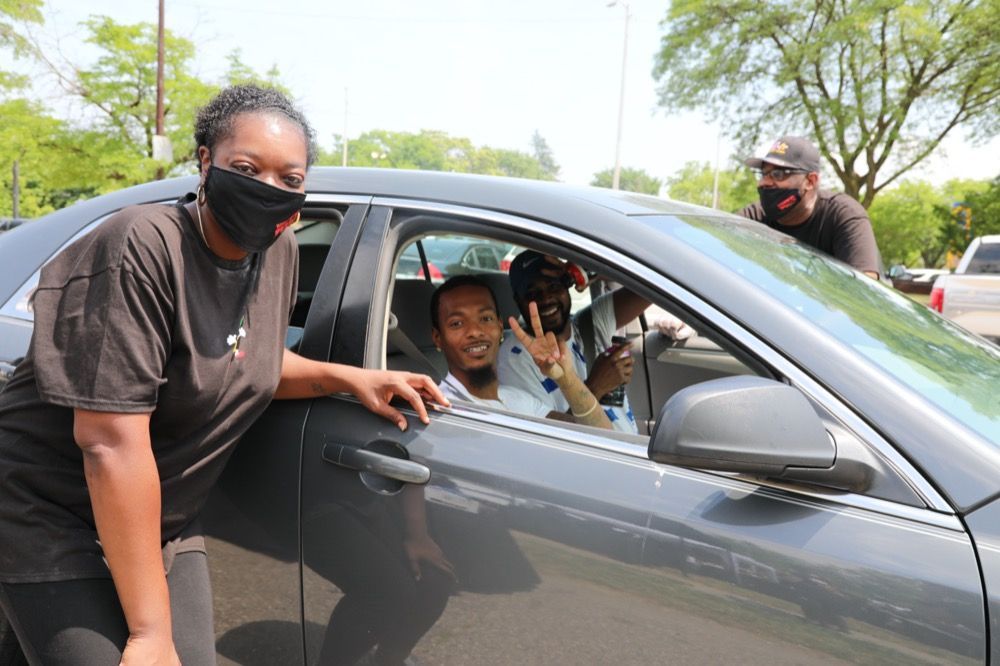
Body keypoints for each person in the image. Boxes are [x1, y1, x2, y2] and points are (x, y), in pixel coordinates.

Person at [0, 84, 448, 666]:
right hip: (50, 506)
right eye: (246, 168)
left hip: (156, 513)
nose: (269, 190)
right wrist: (149, 632)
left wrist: (344, 376)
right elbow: (109, 443)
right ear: (206, 161)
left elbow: (236, 355)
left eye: (290, 179)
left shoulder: (276, 252)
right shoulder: (140, 245)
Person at [431, 275, 612, 430]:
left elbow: (602, 438)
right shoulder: (437, 406)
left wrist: (568, 380)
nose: (475, 331)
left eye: (486, 318)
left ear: (500, 327)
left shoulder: (517, 399)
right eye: (457, 323)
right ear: (438, 338)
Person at [497, 251, 649, 435]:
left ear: (567, 286)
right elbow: (551, 438)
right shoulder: (514, 357)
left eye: (554, 286)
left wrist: (594, 268)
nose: (546, 299)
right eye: (532, 294)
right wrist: (596, 386)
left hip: (630, 450)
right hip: (597, 458)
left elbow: (651, 287)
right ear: (517, 301)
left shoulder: (589, 323)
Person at [738, 135, 882, 279]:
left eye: (778, 174)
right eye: (763, 174)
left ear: (810, 181)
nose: (764, 183)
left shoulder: (843, 215)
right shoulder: (754, 217)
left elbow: (864, 289)